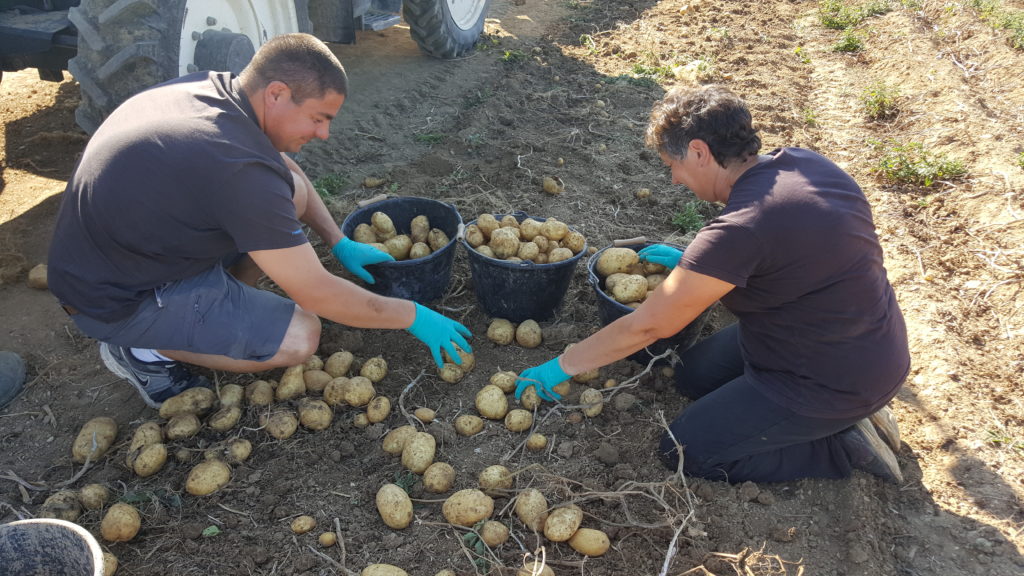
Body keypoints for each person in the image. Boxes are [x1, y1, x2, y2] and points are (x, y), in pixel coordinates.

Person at [47, 34, 471, 409]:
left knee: (291, 190)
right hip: (117, 299)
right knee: (301, 336)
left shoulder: (216, 91)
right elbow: (318, 294)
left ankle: (218, 306)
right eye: (318, 118)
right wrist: (412, 315)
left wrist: (337, 240)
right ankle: (144, 349)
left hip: (133, 249)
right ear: (277, 93)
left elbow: (284, 170)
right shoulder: (235, 168)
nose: (323, 133)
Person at [517, 85, 909, 484]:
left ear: (700, 152)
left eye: (673, 164)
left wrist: (561, 366)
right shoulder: (805, 164)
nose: (673, 179)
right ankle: (823, 418)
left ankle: (837, 446)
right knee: (690, 376)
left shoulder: (740, 231)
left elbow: (648, 326)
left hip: (832, 379)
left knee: (685, 451)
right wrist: (696, 262)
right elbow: (790, 252)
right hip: (852, 339)